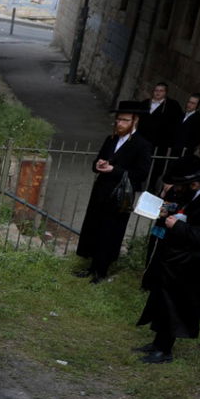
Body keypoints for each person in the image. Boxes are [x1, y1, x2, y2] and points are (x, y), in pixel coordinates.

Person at [134, 157, 200, 363]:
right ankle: (158, 342)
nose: (177, 189)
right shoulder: (191, 193)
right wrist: (168, 213)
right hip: (174, 258)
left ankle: (164, 349)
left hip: (190, 264)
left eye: (179, 185)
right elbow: (183, 214)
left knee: (174, 305)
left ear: (194, 183)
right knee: (162, 300)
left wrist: (177, 226)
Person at [74, 101, 153, 284]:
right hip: (101, 191)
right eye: (118, 120)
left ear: (135, 121)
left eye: (125, 121)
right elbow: (96, 162)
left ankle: (101, 271)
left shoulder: (142, 145)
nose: (119, 124)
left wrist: (114, 170)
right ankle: (92, 266)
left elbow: (141, 173)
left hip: (120, 195)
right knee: (95, 228)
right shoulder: (111, 139)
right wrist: (99, 165)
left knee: (110, 232)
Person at [140, 82, 176, 187]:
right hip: (143, 139)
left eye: (161, 91)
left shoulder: (171, 106)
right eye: (156, 90)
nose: (158, 93)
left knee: (156, 165)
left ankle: (151, 185)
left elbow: (173, 125)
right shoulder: (145, 103)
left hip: (159, 142)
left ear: (165, 93)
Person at [172, 93, 200, 158]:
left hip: (184, 152)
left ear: (197, 105)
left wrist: (187, 147)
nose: (189, 105)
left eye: (193, 103)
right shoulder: (181, 115)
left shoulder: (199, 119)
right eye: (189, 102)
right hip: (173, 149)